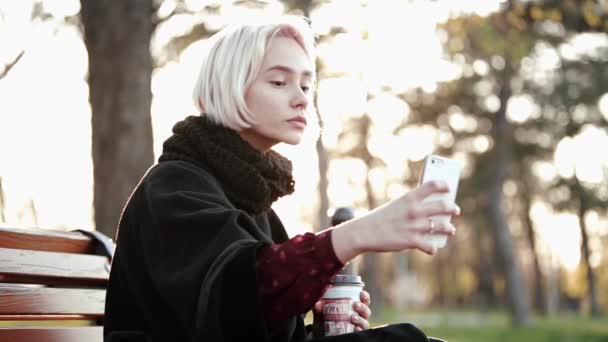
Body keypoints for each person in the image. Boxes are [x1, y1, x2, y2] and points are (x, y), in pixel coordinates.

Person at [103, 14, 460, 342]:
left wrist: (314, 322)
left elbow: (250, 319)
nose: (302, 99)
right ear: (229, 86)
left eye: (306, 86)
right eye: (279, 82)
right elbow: (235, 296)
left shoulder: (249, 195)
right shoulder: (174, 187)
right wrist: (358, 234)